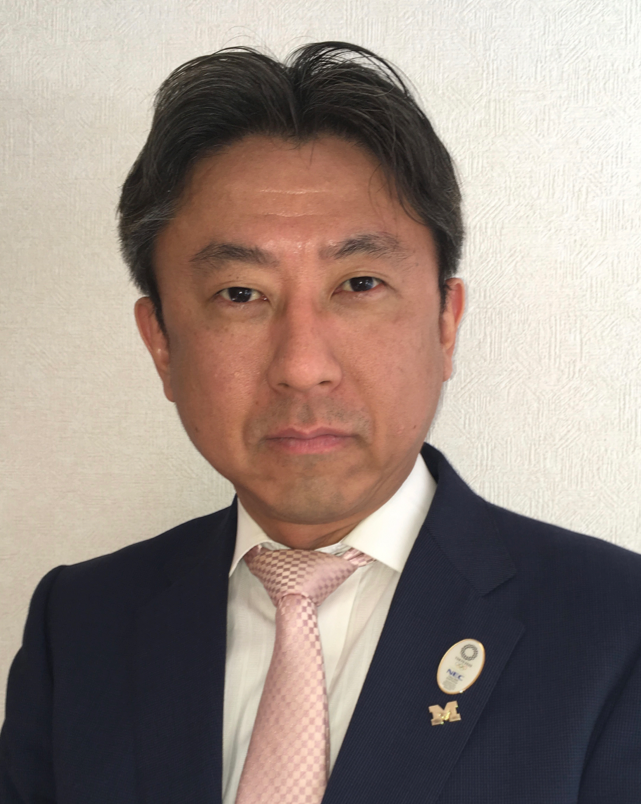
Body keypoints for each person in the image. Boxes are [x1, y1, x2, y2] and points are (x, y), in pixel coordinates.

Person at [1, 42, 640, 804]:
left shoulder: (614, 630)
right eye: (240, 294)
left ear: (445, 323)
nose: (302, 366)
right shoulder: (79, 629)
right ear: (161, 343)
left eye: (358, 283)